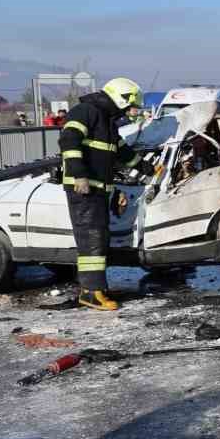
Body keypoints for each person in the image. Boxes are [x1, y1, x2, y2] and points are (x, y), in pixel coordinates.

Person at [59, 78, 141, 311]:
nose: (130, 111)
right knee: (91, 239)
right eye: (129, 105)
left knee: (99, 238)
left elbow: (121, 151)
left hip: (98, 189)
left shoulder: (106, 120)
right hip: (83, 188)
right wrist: (79, 175)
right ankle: (90, 294)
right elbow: (69, 140)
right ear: (121, 98)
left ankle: (96, 288)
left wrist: (147, 168)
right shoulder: (85, 111)